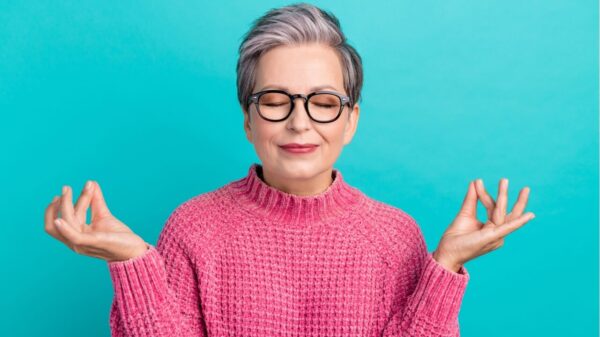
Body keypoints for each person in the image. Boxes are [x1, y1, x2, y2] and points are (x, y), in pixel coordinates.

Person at [43, 3, 535, 337]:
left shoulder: (395, 238)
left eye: (323, 103)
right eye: (275, 101)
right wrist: (134, 263)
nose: (300, 122)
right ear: (248, 120)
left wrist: (444, 267)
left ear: (350, 122)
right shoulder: (193, 228)